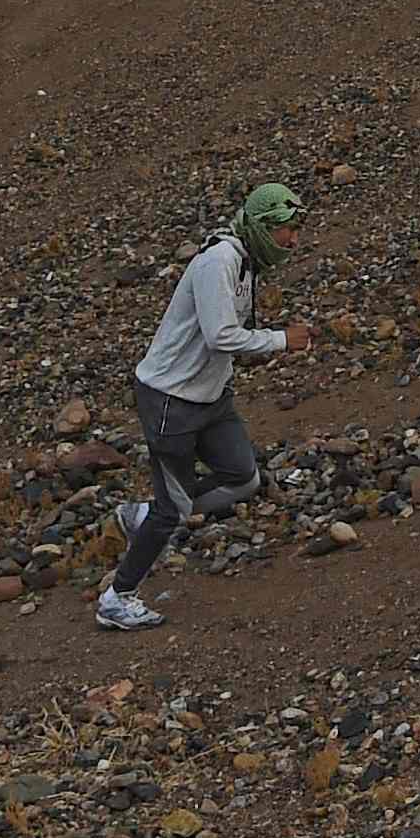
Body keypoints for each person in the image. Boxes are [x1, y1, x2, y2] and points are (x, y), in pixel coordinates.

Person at [94, 182, 305, 630]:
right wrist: (282, 340)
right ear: (264, 227)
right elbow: (220, 335)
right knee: (173, 509)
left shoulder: (245, 261)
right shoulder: (219, 261)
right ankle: (117, 597)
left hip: (210, 398)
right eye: (287, 229)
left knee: (243, 477)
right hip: (171, 401)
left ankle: (143, 515)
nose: (293, 240)